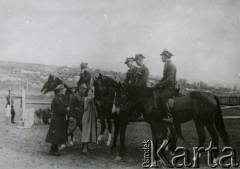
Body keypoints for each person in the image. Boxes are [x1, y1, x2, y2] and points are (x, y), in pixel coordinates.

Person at [155, 49, 178, 124]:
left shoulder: (171, 65)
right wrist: (158, 83)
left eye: (162, 56)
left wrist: (159, 84)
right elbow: (164, 78)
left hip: (172, 87)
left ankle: (169, 117)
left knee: (162, 96)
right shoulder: (166, 64)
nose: (161, 58)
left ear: (165, 56)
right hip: (167, 86)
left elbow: (170, 80)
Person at [45, 84, 69, 156]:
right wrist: (67, 110)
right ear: (60, 91)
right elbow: (60, 110)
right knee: (57, 135)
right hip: (58, 119)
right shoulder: (58, 99)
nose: (65, 90)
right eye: (63, 89)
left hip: (58, 119)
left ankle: (53, 149)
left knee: (57, 134)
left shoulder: (59, 98)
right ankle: (54, 151)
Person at [81, 88, 98, 153]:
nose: (90, 93)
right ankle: (84, 149)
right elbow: (91, 99)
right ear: (87, 93)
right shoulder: (86, 98)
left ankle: (86, 148)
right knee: (86, 132)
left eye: (91, 92)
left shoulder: (90, 99)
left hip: (90, 118)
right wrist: (93, 95)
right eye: (89, 92)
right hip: (87, 117)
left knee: (88, 132)